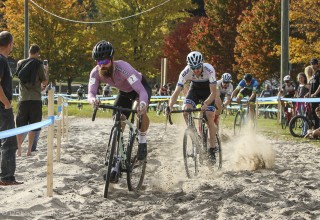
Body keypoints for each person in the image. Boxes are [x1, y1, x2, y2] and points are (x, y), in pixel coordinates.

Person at [88, 40, 152, 161]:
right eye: (99, 61)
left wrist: (143, 104)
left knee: (137, 109)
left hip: (140, 88)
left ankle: (142, 140)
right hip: (124, 92)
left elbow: (142, 91)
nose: (102, 65)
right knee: (118, 119)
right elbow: (91, 93)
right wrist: (93, 100)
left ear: (112, 59)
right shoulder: (96, 72)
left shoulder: (123, 68)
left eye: (105, 61)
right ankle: (118, 154)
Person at [167, 51, 218, 162]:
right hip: (194, 90)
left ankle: (212, 149)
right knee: (186, 110)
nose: (196, 70)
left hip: (208, 92)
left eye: (198, 67)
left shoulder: (209, 69)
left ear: (202, 63)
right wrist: (170, 106)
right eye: (193, 68)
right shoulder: (185, 72)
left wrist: (206, 103)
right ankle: (195, 138)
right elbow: (176, 92)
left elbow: (214, 92)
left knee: (209, 115)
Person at [15, 44, 48, 156]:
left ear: (29, 52)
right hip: (35, 99)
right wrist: (46, 70)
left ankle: (19, 149)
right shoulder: (39, 65)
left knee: (20, 125)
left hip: (23, 98)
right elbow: (44, 82)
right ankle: (29, 150)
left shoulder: (20, 63)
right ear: (37, 53)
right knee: (33, 126)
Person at [0, 31, 23, 185]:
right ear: (9, 44)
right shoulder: (1, 60)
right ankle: (7, 177)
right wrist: (6, 103)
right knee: (9, 141)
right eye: (13, 43)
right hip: (2, 106)